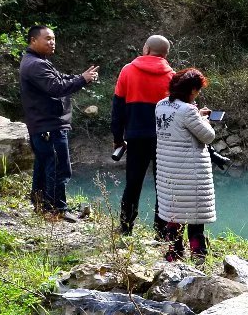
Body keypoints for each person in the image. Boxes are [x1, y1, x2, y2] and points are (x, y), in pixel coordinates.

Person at [18, 25, 99, 218]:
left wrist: (81, 78)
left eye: (53, 38)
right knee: (58, 167)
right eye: (47, 38)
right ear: (33, 40)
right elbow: (56, 87)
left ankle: (41, 205)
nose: (52, 42)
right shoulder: (36, 64)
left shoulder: (38, 61)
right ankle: (56, 209)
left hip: (43, 124)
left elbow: (61, 79)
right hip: (49, 125)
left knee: (44, 165)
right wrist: (82, 79)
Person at [111, 35, 175, 233]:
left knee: (133, 182)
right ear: (165, 54)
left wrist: (118, 139)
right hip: (165, 139)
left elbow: (118, 108)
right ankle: (161, 231)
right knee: (163, 185)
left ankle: (126, 227)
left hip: (136, 137)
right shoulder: (173, 76)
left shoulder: (128, 70)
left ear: (146, 49)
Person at [153, 67, 216, 262]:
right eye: (198, 90)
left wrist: (197, 115)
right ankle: (198, 258)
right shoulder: (188, 111)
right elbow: (208, 136)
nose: (198, 93)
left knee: (174, 215)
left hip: (168, 172)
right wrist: (204, 120)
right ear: (192, 90)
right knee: (195, 219)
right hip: (190, 173)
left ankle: (174, 256)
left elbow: (179, 126)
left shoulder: (161, 105)